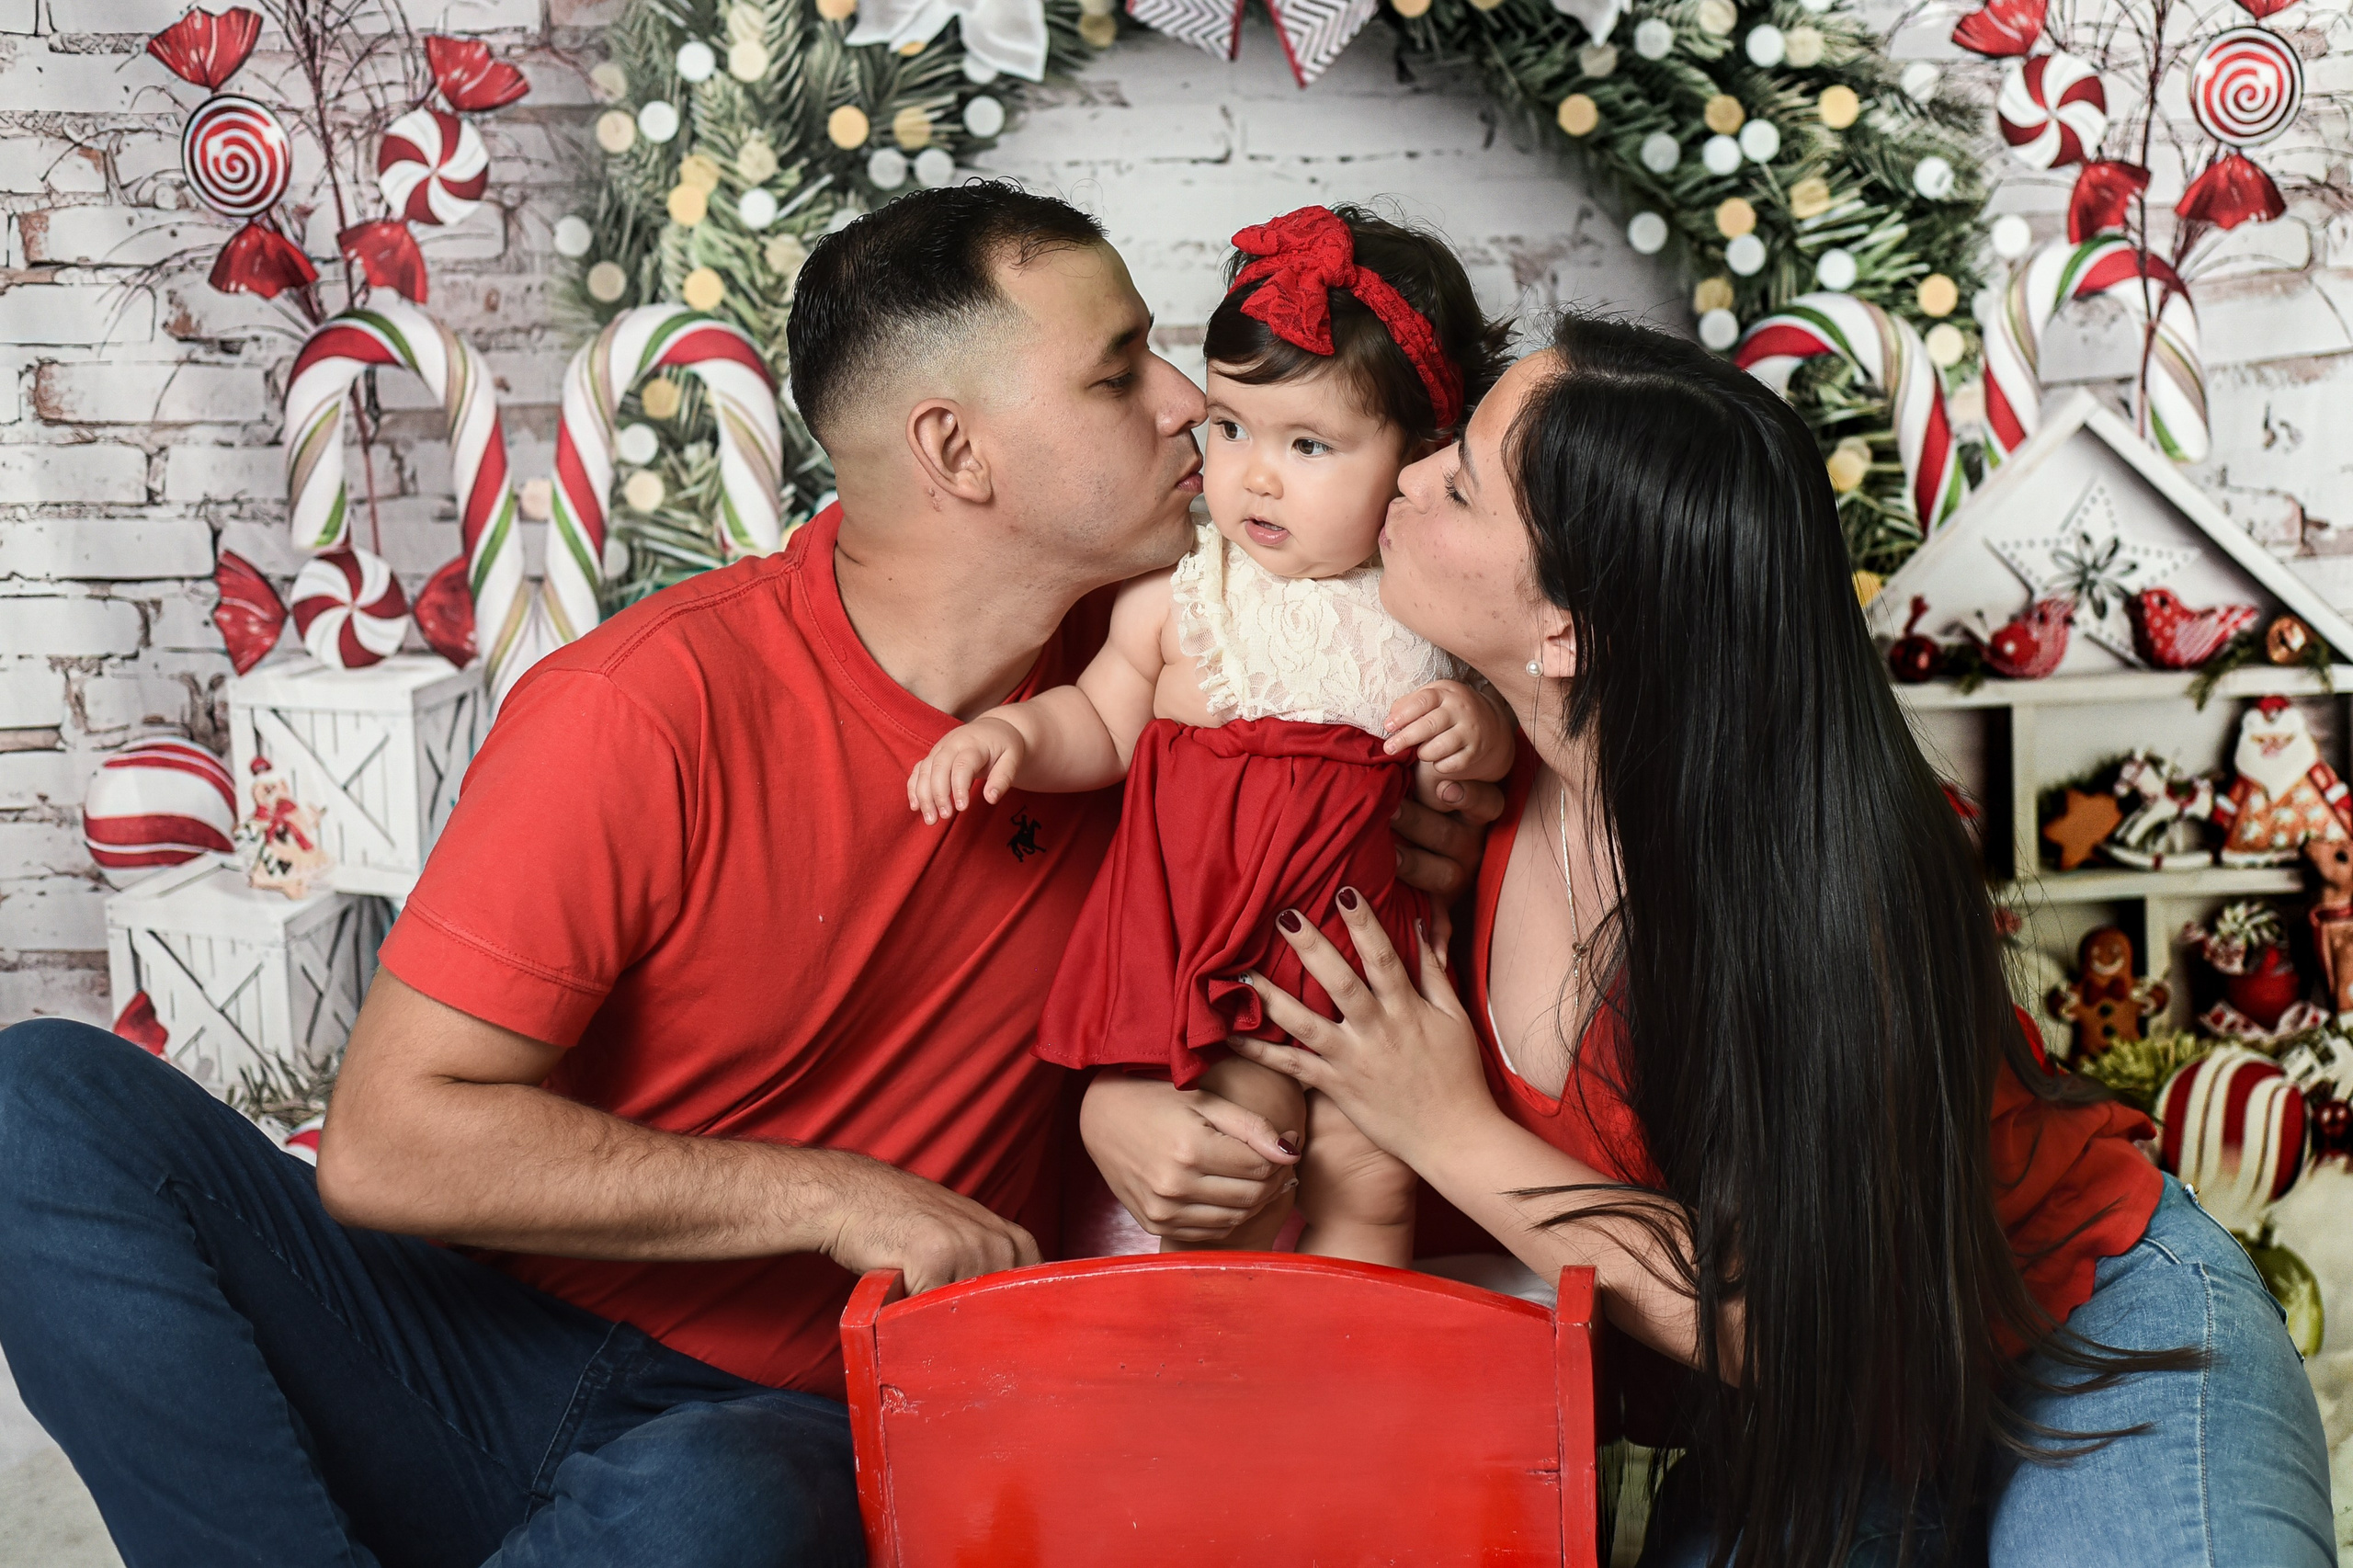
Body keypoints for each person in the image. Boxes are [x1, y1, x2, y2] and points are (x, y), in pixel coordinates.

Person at [0, 183, 1495, 1568]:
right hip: (458, 1349)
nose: (1190, 409)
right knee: (38, 1105)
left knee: (724, 1497)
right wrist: (840, 1194)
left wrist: (1447, 796)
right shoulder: (643, 706)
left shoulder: (1190, 681)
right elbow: (388, 1149)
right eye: (1119, 372)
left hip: (774, 1433)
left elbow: (1428, 733)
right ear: (954, 451)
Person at [1086, 313, 2337, 1565]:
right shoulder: (1453, 785)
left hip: (2085, 1328)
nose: (1405, 476)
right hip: (1815, 1430)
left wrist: (1443, 1121)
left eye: (1458, 479)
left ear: (1566, 628)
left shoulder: (1825, 874)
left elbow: (1789, 1313)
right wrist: (1121, 1107)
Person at [908, 204, 1516, 1264]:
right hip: (1222, 968)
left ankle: (1355, 1368)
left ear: (1419, 458)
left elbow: (1503, 737)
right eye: (1230, 427)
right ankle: (1224, 1363)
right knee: (1237, 1158)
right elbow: (1099, 716)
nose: (1252, 475)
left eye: (1309, 443)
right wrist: (1009, 736)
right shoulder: (1189, 598)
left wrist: (1478, 731)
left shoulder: (1433, 604)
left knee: (1371, 1183)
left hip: (1375, 987)